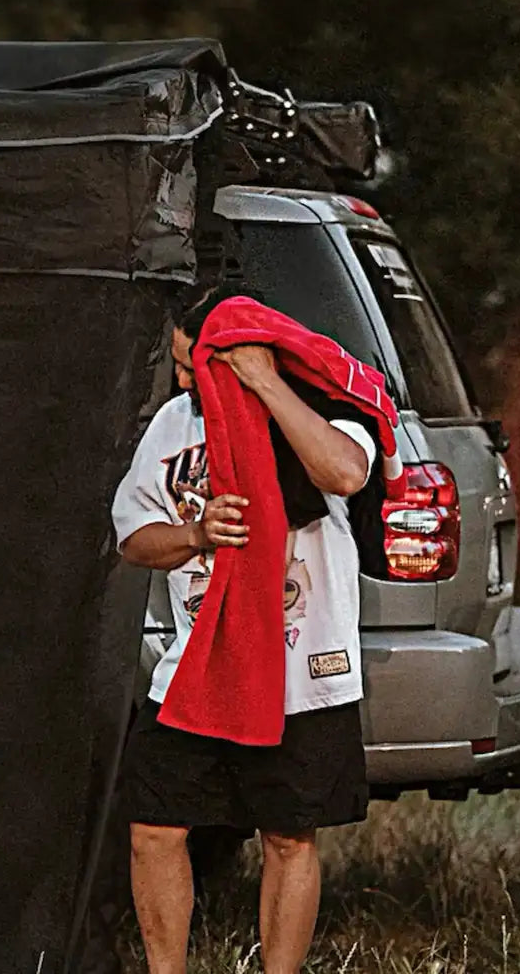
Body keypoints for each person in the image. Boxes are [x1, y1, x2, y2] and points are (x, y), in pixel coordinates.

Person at [110, 288, 378, 974]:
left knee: (288, 837)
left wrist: (263, 381)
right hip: (200, 663)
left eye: (189, 363)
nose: (179, 380)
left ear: (231, 353)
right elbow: (134, 539)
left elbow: (345, 471)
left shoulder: (324, 402)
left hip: (303, 670)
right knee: (154, 825)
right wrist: (196, 533)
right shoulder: (173, 425)